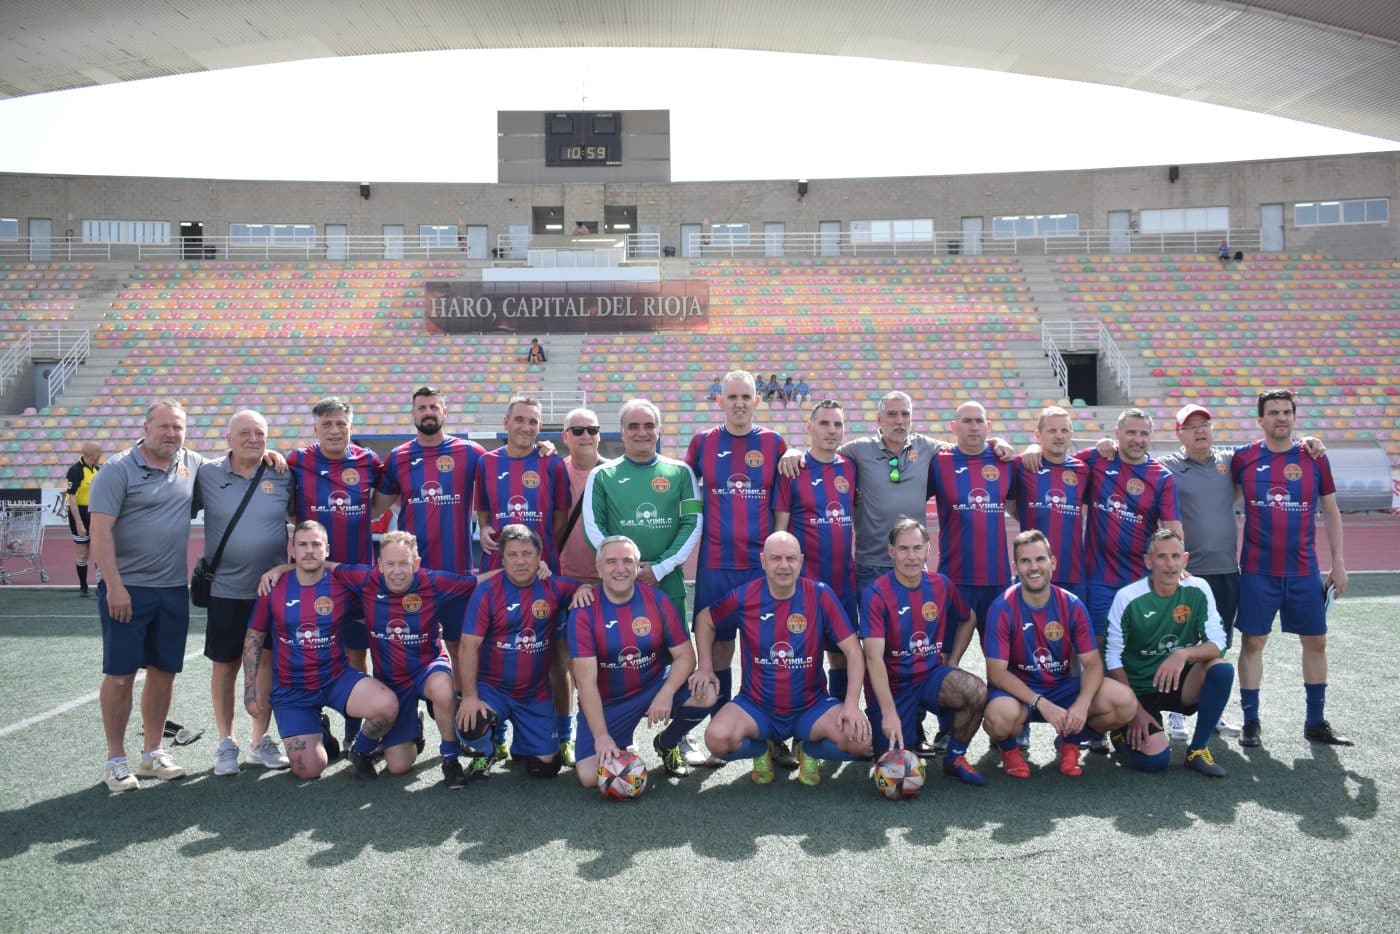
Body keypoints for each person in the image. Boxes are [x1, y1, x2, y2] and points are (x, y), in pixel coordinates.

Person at [262, 530, 495, 787]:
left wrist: (523, 570)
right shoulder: (365, 578)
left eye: (404, 563)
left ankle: (450, 759)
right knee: (398, 766)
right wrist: (284, 568)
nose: (397, 571)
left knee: (443, 688)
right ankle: (408, 728)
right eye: (390, 564)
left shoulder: (434, 581)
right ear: (379, 565)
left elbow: (480, 580)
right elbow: (323, 563)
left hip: (427, 668)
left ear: (416, 564)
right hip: (392, 683)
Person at [89, 401, 207, 791]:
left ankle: (153, 752)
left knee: (163, 673)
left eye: (178, 427)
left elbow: (235, 468)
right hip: (128, 589)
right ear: (146, 427)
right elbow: (100, 533)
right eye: (164, 427)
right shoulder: (117, 469)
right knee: (121, 676)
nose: (171, 434)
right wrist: (115, 585)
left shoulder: (191, 464)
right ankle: (115, 759)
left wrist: (269, 454)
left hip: (173, 590)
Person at [691, 532, 871, 786]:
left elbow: (853, 651)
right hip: (756, 706)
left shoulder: (820, 595)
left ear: (801, 561)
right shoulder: (745, 596)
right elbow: (705, 619)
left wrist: (851, 705)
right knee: (716, 740)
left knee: (860, 740)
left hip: (811, 706)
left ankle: (808, 750)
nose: (784, 565)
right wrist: (705, 666)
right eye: (775, 558)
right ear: (763, 561)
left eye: (790, 558)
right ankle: (761, 749)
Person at [1232, 389, 1351, 747]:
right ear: (1260, 419)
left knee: (1316, 641)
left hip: (1303, 571)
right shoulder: (1243, 458)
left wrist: (1339, 564)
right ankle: (1251, 721)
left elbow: (1330, 511)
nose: (1280, 417)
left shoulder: (1315, 457)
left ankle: (1315, 722)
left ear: (1294, 417)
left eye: (1287, 411)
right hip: (1257, 571)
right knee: (1253, 642)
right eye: (1273, 412)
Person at [681, 370, 787, 766]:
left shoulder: (775, 444)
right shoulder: (702, 443)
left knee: (768, 652)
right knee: (720, 650)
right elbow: (683, 489)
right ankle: (716, 729)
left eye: (746, 396)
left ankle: (774, 733)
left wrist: (776, 550)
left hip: (761, 567)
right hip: (716, 565)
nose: (739, 403)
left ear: (757, 400)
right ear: (720, 401)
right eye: (732, 396)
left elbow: (783, 502)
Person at [242, 521, 399, 780]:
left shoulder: (341, 584)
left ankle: (359, 750)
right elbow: (254, 637)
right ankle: (320, 731)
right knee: (309, 770)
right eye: (302, 544)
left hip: (335, 679)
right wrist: (249, 689)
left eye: (316, 544)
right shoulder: (273, 586)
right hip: (292, 690)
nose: (309, 551)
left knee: (387, 705)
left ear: (327, 550)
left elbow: (378, 590)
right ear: (292, 550)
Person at [982, 531, 1135, 779]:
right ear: (1015, 567)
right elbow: (996, 672)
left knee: (1124, 702)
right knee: (998, 718)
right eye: (1025, 561)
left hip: (1062, 688)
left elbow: (1093, 664)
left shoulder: (1072, 604)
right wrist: (1041, 703)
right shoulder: (1002, 607)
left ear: (1052, 562)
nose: (1034, 568)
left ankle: (1071, 741)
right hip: (1019, 693)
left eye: (1040, 559)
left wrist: (1082, 705)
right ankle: (1009, 749)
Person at [285, 396, 390, 752]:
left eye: (341, 424)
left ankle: (353, 727)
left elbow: (379, 503)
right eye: (327, 424)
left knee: (356, 653)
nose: (334, 430)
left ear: (350, 426)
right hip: (312, 577)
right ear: (315, 428)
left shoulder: (367, 460)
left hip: (358, 575)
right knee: (312, 648)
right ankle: (315, 719)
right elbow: (285, 507)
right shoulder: (295, 460)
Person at [475, 396, 575, 759]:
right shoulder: (487, 462)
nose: (526, 427)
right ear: (505, 422)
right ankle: (496, 733)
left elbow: (561, 517)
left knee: (555, 658)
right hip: (500, 577)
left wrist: (543, 556)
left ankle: (564, 735)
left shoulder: (551, 462)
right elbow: (483, 513)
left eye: (533, 421)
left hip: (547, 576)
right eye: (519, 419)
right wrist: (485, 528)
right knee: (495, 652)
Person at [568, 536, 712, 784]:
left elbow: (685, 657)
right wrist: (601, 736)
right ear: (599, 569)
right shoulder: (584, 611)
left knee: (706, 692)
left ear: (637, 566)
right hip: (609, 703)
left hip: (652, 685)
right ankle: (619, 744)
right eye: (611, 562)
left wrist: (666, 692)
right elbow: (586, 684)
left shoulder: (656, 600)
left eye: (627, 561)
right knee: (591, 776)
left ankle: (667, 743)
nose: (620, 569)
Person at [195, 410, 292, 776]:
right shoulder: (206, 474)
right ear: (228, 437)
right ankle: (225, 742)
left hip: (270, 592)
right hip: (225, 589)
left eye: (260, 433)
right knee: (226, 665)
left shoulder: (282, 473)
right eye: (245, 432)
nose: (253, 439)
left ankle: (259, 740)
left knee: (265, 665)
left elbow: (299, 519)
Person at [457, 525, 591, 780]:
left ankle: (523, 743)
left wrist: (583, 589)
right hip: (493, 689)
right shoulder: (486, 591)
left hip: (534, 693)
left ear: (540, 556)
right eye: (513, 554)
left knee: (546, 767)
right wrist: (470, 696)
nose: (520, 561)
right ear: (502, 558)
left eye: (527, 554)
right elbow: (467, 646)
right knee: (473, 722)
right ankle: (487, 748)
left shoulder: (553, 586)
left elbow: (585, 589)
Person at [862, 519, 986, 785]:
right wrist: (888, 712)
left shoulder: (940, 584)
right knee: (896, 778)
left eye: (917, 548)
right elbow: (873, 660)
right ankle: (900, 736)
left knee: (975, 691)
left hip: (929, 677)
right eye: (904, 549)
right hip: (893, 688)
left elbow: (968, 617)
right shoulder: (876, 594)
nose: (911, 556)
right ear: (891, 552)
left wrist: (952, 662)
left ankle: (954, 758)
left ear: (928, 549)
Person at [1105, 528, 1234, 777]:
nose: (1170, 564)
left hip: (1178, 683)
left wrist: (1182, 654)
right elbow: (1111, 657)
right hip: (1139, 689)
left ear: (1185, 559)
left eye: (1176, 556)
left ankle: (1197, 750)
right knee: (1156, 762)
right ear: (1148, 561)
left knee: (1221, 669)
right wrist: (1134, 711)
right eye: (1162, 557)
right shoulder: (1128, 597)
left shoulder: (1198, 589)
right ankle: (1121, 731)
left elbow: (1219, 643)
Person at [378, 386, 487, 681]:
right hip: (412, 576)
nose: (428, 412)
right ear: (413, 414)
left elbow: (505, 463)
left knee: (459, 645)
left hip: (457, 572)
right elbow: (377, 507)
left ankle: (466, 713)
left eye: (433, 407)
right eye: (422, 408)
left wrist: (544, 448)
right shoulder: (398, 457)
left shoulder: (470, 452)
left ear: (444, 412)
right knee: (410, 646)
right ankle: (410, 718)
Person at [773, 399, 858, 758]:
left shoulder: (851, 468)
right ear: (809, 427)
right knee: (799, 659)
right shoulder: (792, 469)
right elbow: (779, 530)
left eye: (837, 424)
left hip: (843, 583)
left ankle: (836, 727)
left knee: (840, 658)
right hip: (802, 586)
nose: (831, 430)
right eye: (824, 423)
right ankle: (783, 736)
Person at [582, 397, 702, 626]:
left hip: (667, 581)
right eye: (633, 426)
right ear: (621, 432)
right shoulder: (601, 475)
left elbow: (693, 523)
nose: (642, 432)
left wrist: (660, 568)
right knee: (623, 654)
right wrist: (626, 567)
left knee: (677, 656)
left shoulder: (682, 473)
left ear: (658, 431)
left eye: (649, 425)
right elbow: (593, 528)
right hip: (620, 583)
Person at [926, 400, 1018, 634]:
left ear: (988, 426)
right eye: (966, 421)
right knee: (946, 656)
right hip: (954, 577)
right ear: (954, 426)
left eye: (979, 421)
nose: (973, 426)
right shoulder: (938, 462)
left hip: (997, 579)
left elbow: (1019, 507)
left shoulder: (1006, 462)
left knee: (999, 657)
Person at [1014, 406, 1090, 602]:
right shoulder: (1022, 466)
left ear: (1071, 434)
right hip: (1032, 572)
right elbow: (1007, 501)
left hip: (1073, 572)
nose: (1059, 436)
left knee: (1071, 630)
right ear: (1038, 435)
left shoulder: (1083, 470)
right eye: (1052, 430)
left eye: (1064, 430)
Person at [64, 440, 102, 596]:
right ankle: (83, 587)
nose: (100, 455)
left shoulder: (98, 469)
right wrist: (79, 522)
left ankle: (101, 587)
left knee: (100, 552)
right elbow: (71, 498)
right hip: (79, 512)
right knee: (83, 553)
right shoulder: (75, 470)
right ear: (90, 454)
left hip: (96, 513)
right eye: (98, 452)